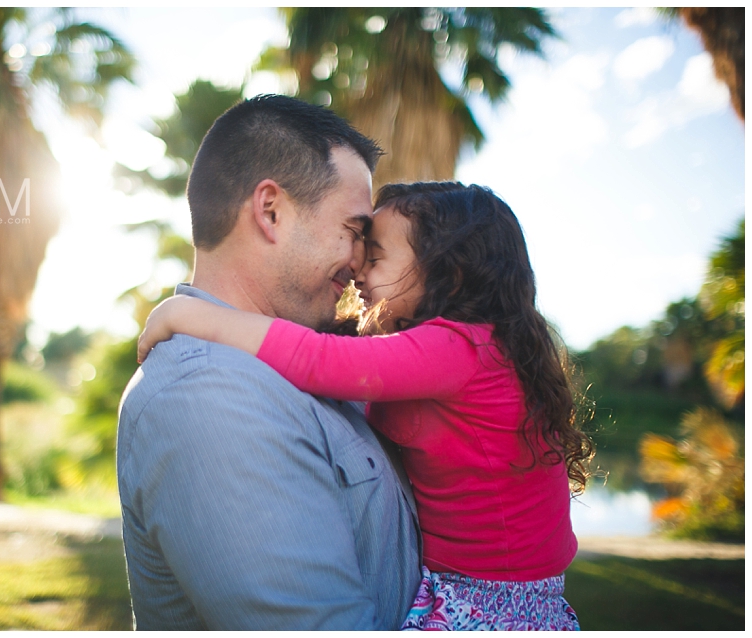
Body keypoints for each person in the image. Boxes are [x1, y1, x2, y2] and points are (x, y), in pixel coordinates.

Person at [139, 181, 595, 631]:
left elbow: (317, 360)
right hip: (514, 598)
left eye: (375, 257)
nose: (358, 269)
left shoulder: (458, 349)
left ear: (449, 273)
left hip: (484, 607)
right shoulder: (477, 349)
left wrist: (189, 314)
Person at [116, 95, 422, 631]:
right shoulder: (209, 395)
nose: (359, 265)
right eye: (353, 232)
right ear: (270, 210)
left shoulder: (310, 363)